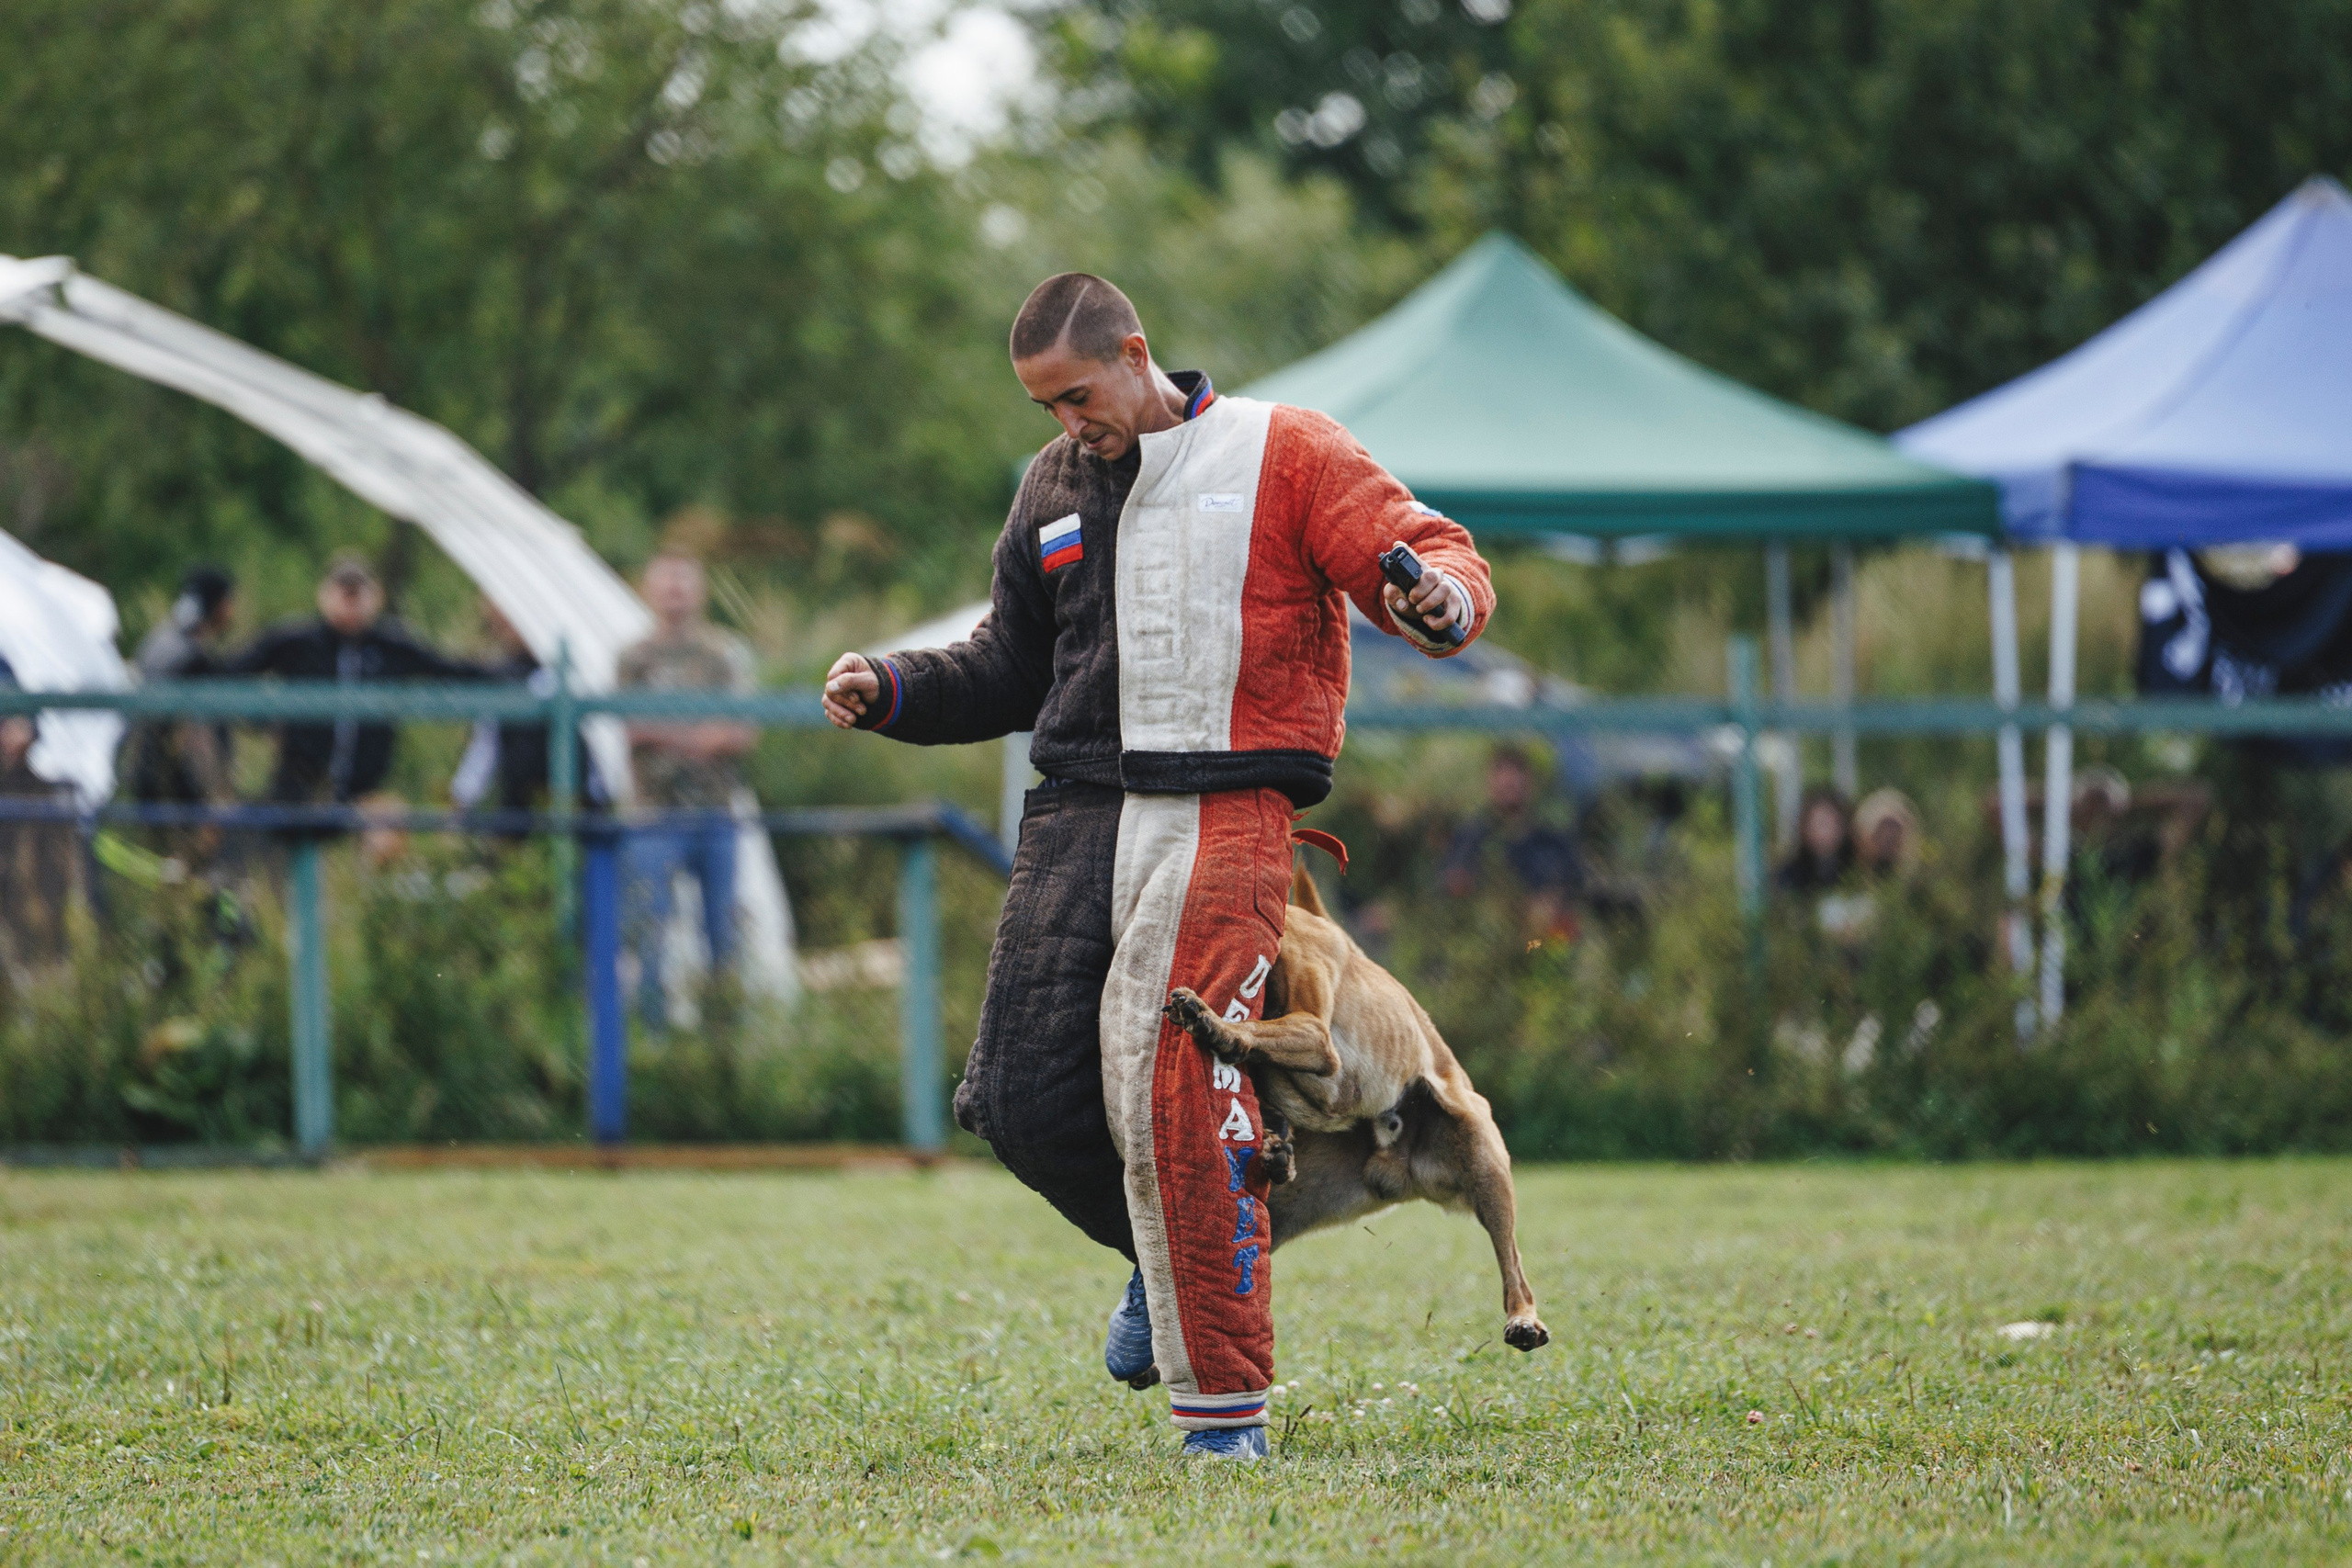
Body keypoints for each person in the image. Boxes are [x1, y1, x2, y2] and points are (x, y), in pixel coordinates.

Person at [820, 272, 1494, 1461]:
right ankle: (1166, 1249)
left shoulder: (1286, 452)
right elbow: (1006, 664)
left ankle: (1224, 1418)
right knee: (1019, 1100)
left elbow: (1430, 557)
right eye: (1045, 405)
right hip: (1078, 810)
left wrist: (1441, 601)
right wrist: (897, 687)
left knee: (1172, 1086)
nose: (1065, 425)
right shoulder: (1053, 490)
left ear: (1136, 353)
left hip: (1230, 802)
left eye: (1077, 395)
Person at [615, 552, 756, 1025]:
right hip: (654, 814)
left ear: (700, 590)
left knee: (722, 930)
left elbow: (741, 732)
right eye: (666, 581)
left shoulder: (724, 655)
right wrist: (699, 736)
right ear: (648, 590)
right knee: (649, 927)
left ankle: (722, 1043)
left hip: (716, 813)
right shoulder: (633, 658)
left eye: (684, 581)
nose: (675, 591)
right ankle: (653, 1038)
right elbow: (632, 728)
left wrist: (671, 732)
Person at [225, 553, 487, 806]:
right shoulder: (296, 641)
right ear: (324, 594)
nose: (351, 600)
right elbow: (230, 674)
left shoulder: (392, 645)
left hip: (365, 790)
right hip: (297, 786)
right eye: (343, 591)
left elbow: (448, 669)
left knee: (387, 822)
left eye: (359, 592)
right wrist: (264, 721)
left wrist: (509, 669)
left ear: (377, 597)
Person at [449, 599, 605, 824]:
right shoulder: (503, 676)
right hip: (520, 803)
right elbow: (486, 742)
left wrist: (600, 794)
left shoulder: (575, 672)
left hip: (575, 802)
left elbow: (599, 738)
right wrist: (463, 796)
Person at [122, 565, 240, 813]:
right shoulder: (192, 657)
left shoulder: (160, 641)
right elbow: (197, 734)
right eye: (229, 601)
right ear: (216, 604)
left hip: (146, 777)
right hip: (178, 791)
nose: (232, 610)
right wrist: (215, 797)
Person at [1439, 744, 1586, 942]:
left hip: (1541, 943)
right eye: (1501, 771)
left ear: (1530, 783)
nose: (1509, 781)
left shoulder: (1553, 842)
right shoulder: (1470, 839)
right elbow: (1452, 887)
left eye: (1517, 771)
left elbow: (1573, 890)